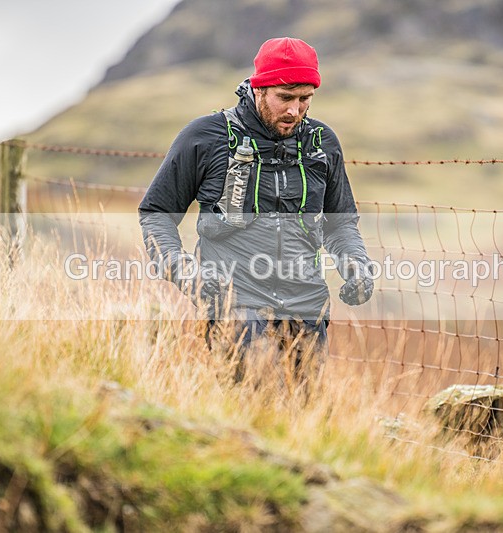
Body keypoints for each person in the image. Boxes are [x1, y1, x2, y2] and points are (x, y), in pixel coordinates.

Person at [139, 37, 373, 380]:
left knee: (301, 419)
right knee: (253, 398)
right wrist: (186, 273)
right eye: (285, 98)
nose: (294, 110)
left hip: (307, 306)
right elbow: (156, 214)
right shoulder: (206, 136)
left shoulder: (322, 143)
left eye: (305, 99)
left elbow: (341, 225)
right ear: (260, 89)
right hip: (235, 302)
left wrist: (357, 264)